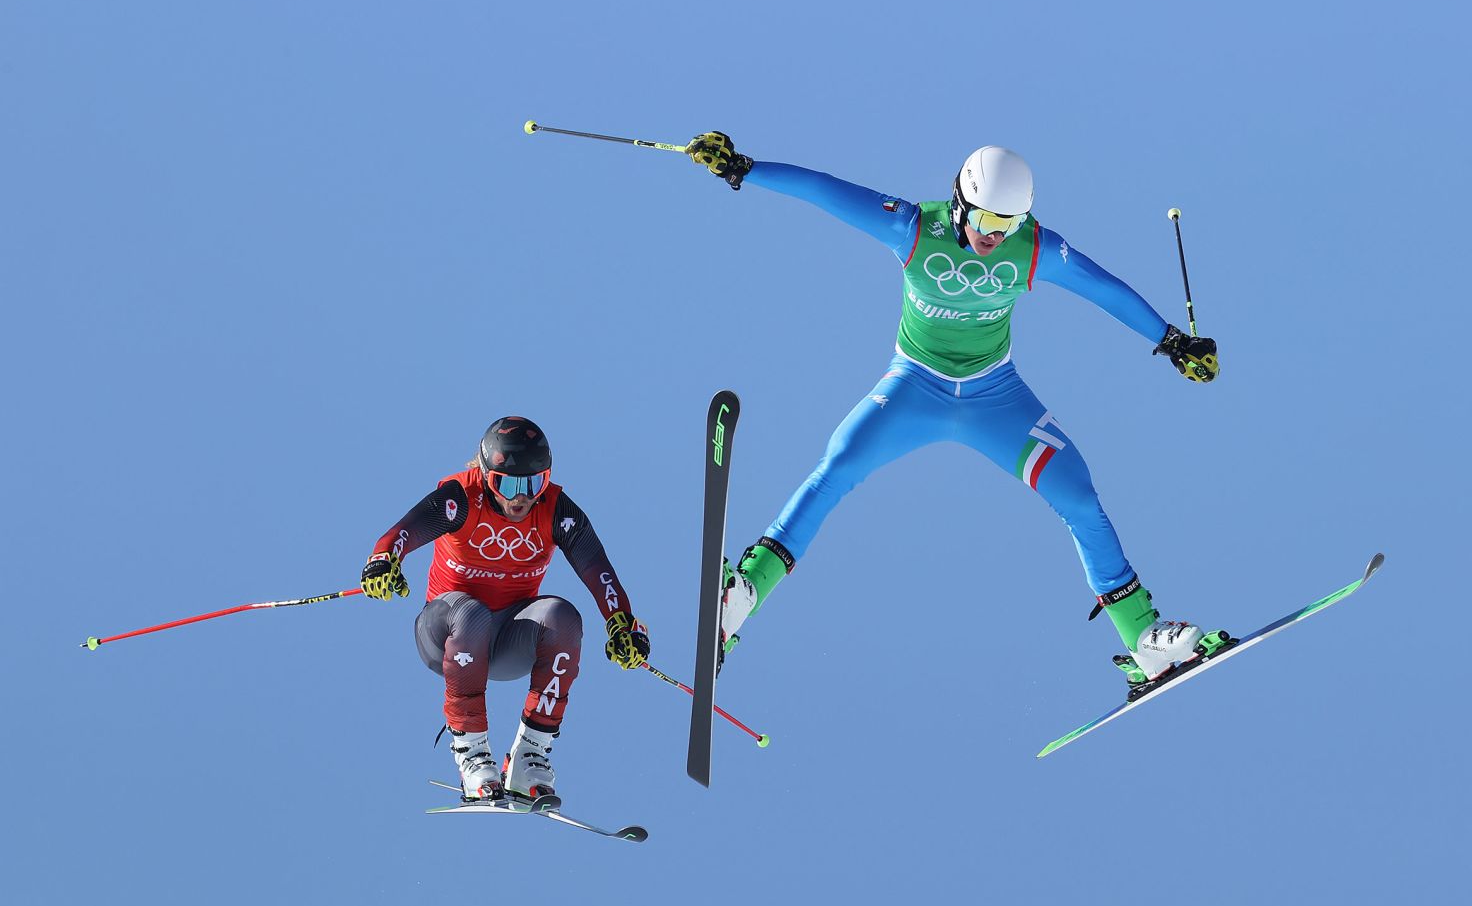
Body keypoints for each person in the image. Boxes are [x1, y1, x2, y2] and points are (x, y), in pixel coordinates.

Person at [683, 133, 1221, 691]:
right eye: (987, 218)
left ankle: (1142, 638)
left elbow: (1101, 287)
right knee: (837, 467)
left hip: (997, 397)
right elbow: (828, 192)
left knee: (1080, 496)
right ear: (961, 202)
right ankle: (741, 595)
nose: (994, 235)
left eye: (1008, 224)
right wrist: (744, 168)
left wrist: (1172, 341)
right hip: (915, 387)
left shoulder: (1034, 248)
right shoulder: (914, 228)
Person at [360, 416, 649, 801]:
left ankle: (531, 754)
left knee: (563, 618)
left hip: (507, 642)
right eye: (507, 483)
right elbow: (402, 532)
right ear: (485, 475)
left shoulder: (556, 510)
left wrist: (622, 624)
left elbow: (598, 569)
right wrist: (384, 559)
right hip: (446, 632)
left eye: (534, 483)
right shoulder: (461, 498)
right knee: (472, 613)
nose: (520, 497)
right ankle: (473, 753)